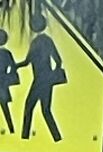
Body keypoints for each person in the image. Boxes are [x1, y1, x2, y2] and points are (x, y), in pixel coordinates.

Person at [17, 13, 66, 142]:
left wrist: (15, 66)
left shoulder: (36, 42)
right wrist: (53, 74)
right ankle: (57, 138)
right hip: (46, 80)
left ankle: (25, 137)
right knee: (45, 109)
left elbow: (27, 61)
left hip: (40, 80)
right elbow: (58, 60)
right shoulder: (47, 40)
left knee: (30, 106)